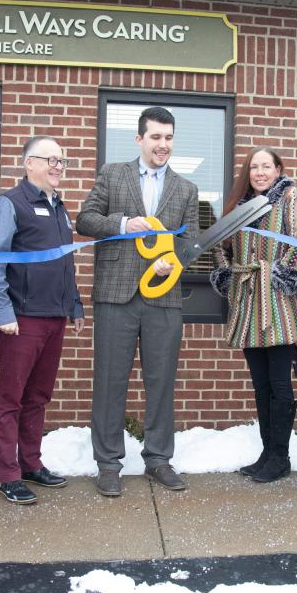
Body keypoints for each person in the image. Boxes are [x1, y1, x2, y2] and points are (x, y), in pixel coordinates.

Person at [76, 107, 199, 497]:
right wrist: (122, 224)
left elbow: (192, 241)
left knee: (161, 382)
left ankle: (159, 458)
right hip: (116, 292)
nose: (162, 145)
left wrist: (174, 260)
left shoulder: (186, 189)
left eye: (168, 137)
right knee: (110, 381)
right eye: (155, 137)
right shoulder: (113, 174)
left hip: (164, 297)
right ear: (140, 139)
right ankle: (109, 463)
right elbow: (85, 219)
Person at [0, 136, 84, 505]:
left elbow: (65, 261)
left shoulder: (60, 207)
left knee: (38, 396)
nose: (58, 166)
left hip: (54, 317)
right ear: (28, 164)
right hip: (21, 319)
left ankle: (31, 463)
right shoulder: (10, 204)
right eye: (50, 159)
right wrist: (2, 310)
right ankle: (8, 473)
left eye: (62, 161)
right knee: (11, 397)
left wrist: (74, 305)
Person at [210, 147, 297, 483]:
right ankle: (267, 452)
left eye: (266, 166)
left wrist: (284, 274)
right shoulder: (238, 207)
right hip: (246, 301)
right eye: (254, 167)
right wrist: (227, 276)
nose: (259, 172)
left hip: (277, 301)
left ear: (277, 169)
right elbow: (219, 246)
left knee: (279, 383)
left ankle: (280, 458)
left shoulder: (290, 197)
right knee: (260, 384)